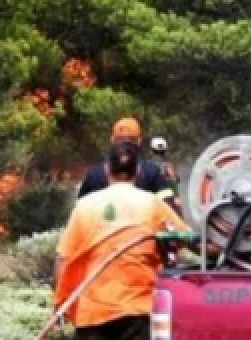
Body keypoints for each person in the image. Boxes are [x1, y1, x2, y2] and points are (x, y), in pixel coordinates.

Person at [54, 140, 191, 340]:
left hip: (92, 314)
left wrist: (60, 304)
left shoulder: (84, 207)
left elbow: (62, 258)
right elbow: (187, 239)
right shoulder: (153, 205)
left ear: (107, 170)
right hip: (137, 313)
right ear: (137, 172)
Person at [77, 118, 175, 208]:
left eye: (130, 140)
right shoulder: (152, 173)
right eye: (121, 139)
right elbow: (170, 212)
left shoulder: (94, 175)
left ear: (112, 140)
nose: (125, 145)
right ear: (139, 141)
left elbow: (80, 210)